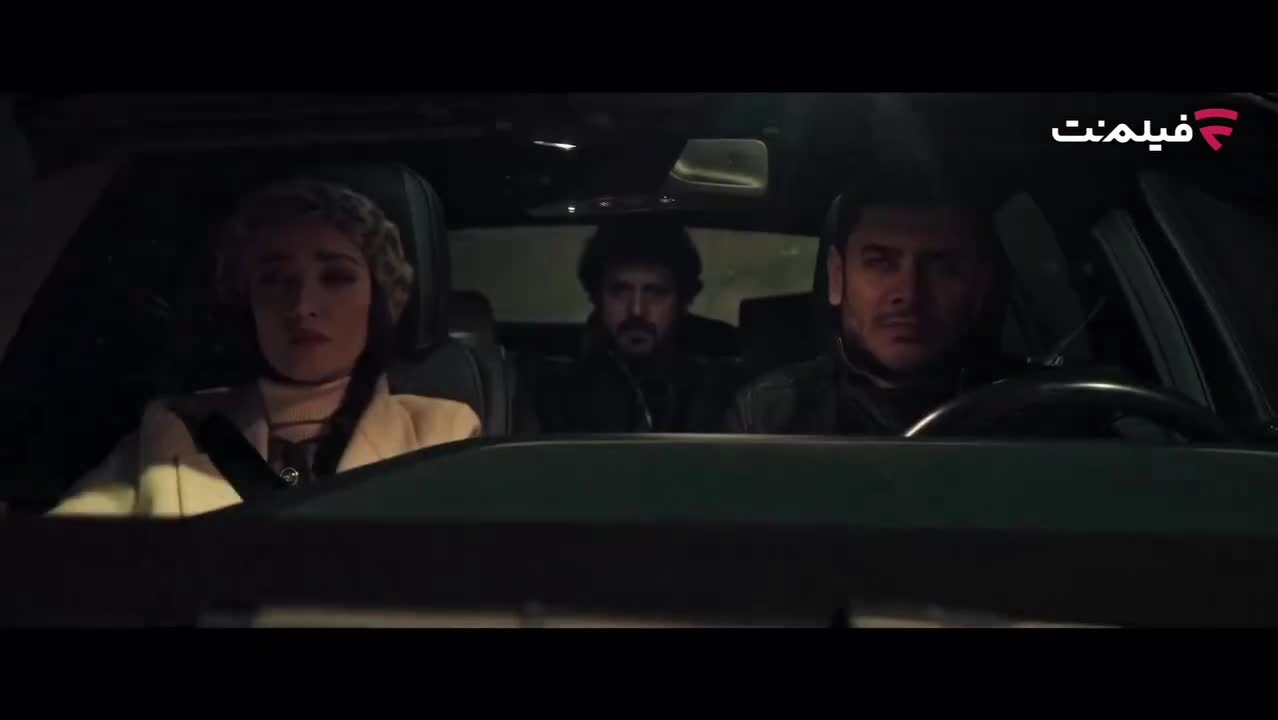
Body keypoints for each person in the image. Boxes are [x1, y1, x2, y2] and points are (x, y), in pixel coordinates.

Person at [50, 178, 481, 517]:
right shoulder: (172, 428)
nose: (302, 305)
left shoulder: (443, 433)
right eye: (274, 280)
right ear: (246, 302)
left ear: (379, 300)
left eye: (336, 277)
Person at [724, 183, 1105, 436]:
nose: (909, 293)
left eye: (941, 267)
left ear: (979, 287)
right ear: (837, 278)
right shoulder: (771, 414)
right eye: (880, 263)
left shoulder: (1049, 414)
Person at [532, 217, 737, 433]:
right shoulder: (553, 391)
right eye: (619, 291)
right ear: (596, 296)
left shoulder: (720, 392)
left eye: (655, 292)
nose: (636, 310)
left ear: (683, 300)